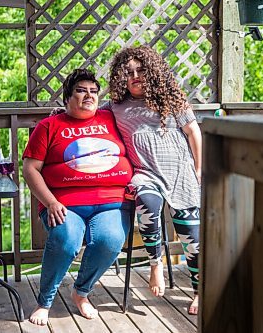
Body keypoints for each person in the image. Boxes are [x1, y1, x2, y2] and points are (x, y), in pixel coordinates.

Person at [22, 69, 133, 325]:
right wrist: (50, 201)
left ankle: (81, 292)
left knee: (111, 239)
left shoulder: (111, 119)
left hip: (112, 200)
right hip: (64, 202)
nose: (89, 96)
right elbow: (30, 169)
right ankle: (45, 301)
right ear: (67, 98)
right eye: (81, 90)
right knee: (66, 240)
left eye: (93, 91)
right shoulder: (49, 126)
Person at [107, 45, 202, 315]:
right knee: (147, 203)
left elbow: (193, 132)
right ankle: (155, 264)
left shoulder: (171, 100)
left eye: (141, 70)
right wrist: (61, 113)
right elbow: (88, 114)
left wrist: (198, 168)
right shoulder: (116, 106)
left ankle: (199, 291)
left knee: (191, 236)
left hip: (182, 173)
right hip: (145, 173)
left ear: (153, 72)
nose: (135, 75)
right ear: (121, 78)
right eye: (129, 72)